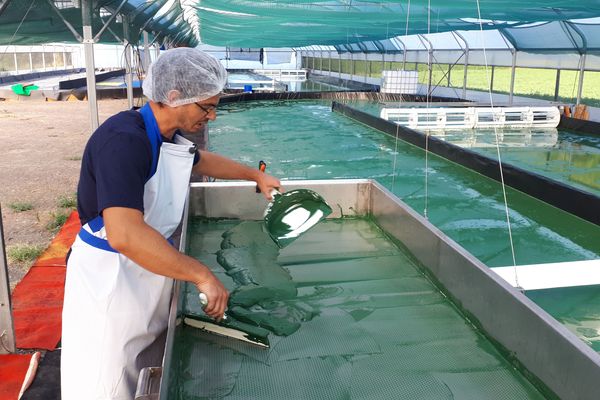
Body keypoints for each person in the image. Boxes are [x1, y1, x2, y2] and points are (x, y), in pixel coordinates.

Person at [61, 48, 281, 400]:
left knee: (143, 365)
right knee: (106, 377)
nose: (212, 117)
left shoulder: (165, 135)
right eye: (206, 107)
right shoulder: (123, 141)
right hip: (111, 277)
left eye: (214, 106)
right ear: (174, 96)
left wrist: (253, 174)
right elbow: (125, 234)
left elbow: (200, 161)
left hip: (146, 265)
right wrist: (202, 274)